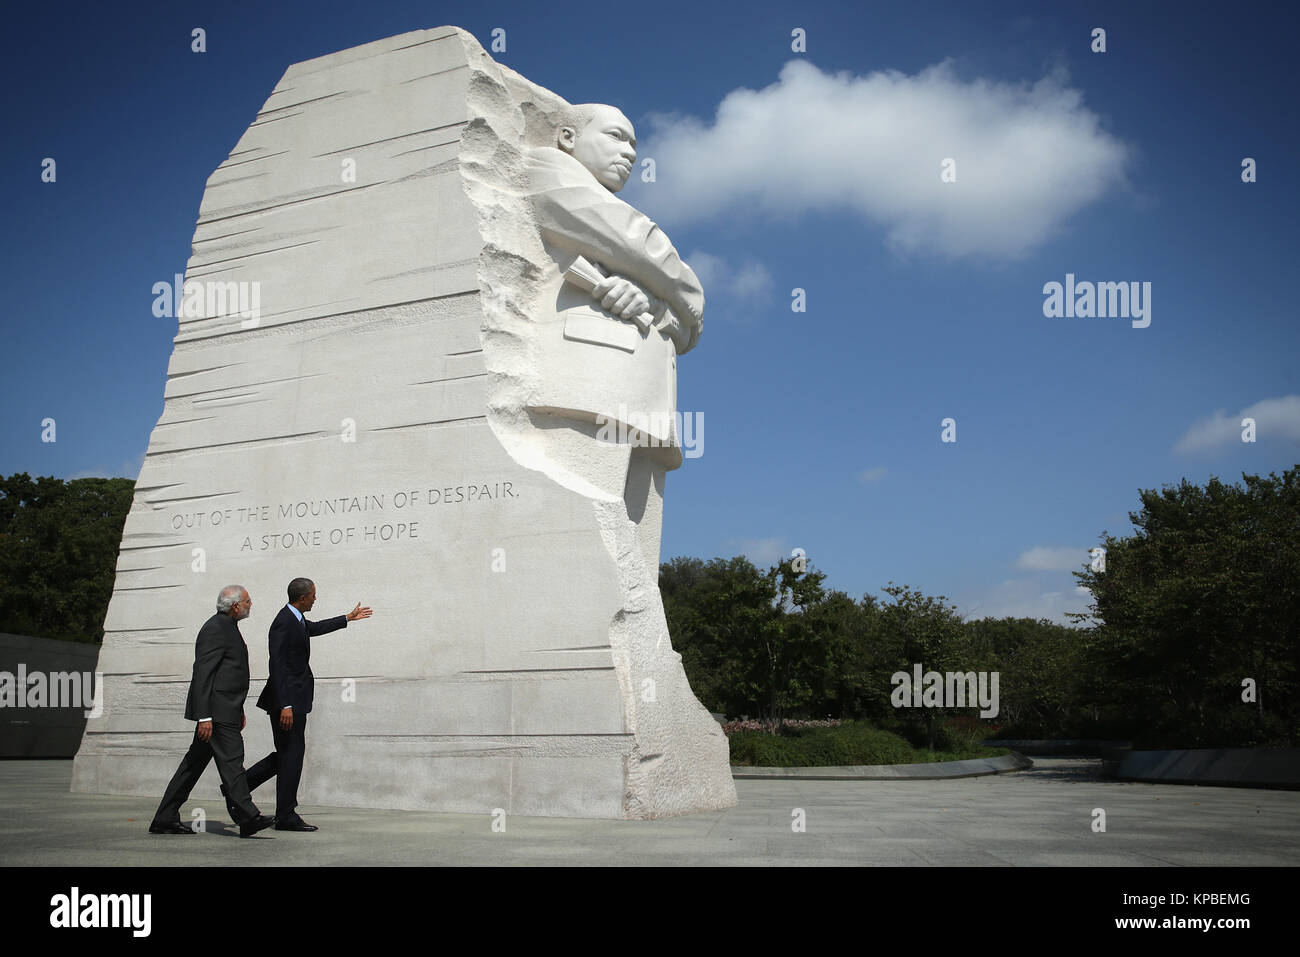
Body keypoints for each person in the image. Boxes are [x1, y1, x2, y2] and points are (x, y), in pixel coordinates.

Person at [523, 103, 705, 578]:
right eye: (616, 137)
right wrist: (679, 293)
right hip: (588, 382)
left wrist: (656, 300)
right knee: (586, 546)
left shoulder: (596, 198)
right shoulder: (546, 171)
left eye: (635, 145)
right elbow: (643, 247)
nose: (629, 153)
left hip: (639, 390)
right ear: (566, 137)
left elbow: (686, 326)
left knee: (637, 559)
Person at [241, 577, 372, 831]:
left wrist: (346, 618)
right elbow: (276, 665)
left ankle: (247, 792)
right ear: (302, 598)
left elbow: (314, 628)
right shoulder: (283, 621)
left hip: (294, 700)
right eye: (313, 595)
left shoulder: (296, 619)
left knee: (290, 756)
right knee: (291, 755)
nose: (315, 598)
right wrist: (286, 705)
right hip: (286, 703)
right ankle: (281, 812)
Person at [149, 585, 275, 838]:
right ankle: (248, 816)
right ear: (236, 606)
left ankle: (164, 817)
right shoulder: (215, 629)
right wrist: (204, 716)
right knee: (232, 762)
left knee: (192, 766)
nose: (252, 604)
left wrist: (237, 710)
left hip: (225, 710)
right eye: (248, 601)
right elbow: (203, 674)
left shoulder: (226, 627)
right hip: (216, 713)